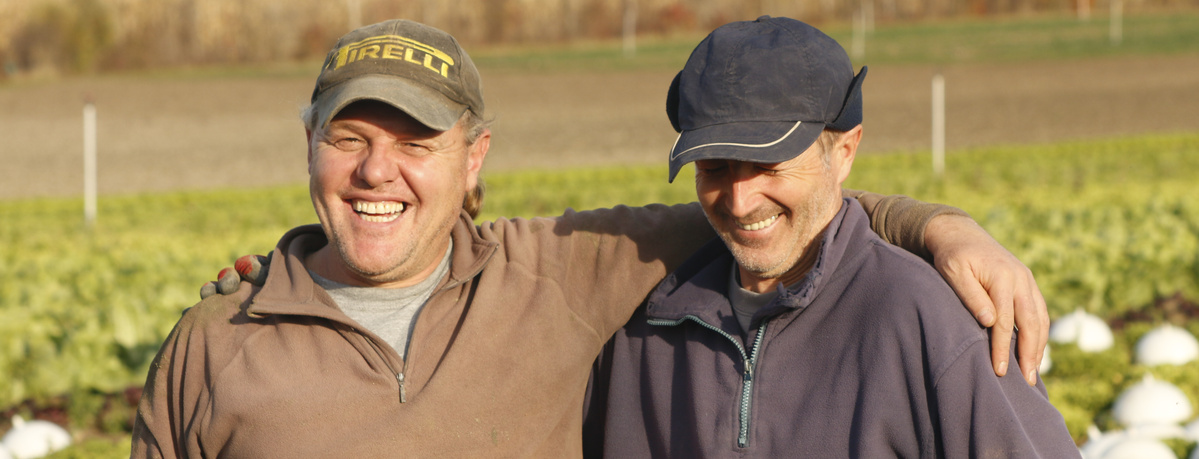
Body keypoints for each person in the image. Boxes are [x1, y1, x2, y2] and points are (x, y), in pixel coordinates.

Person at [132, 19, 1048, 457]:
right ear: (309, 146)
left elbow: (785, 217)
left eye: (416, 143)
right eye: (348, 138)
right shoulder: (213, 345)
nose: (378, 172)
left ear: (474, 158)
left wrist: (939, 228)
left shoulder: (558, 274)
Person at [581, 16, 1078, 457]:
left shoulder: (931, 321)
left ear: (844, 152)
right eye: (713, 168)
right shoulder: (641, 332)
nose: (739, 201)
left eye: (768, 166)